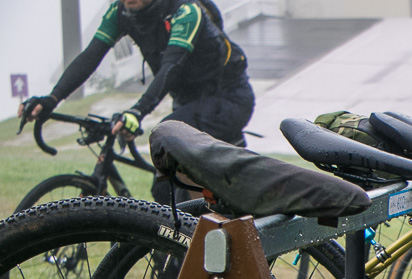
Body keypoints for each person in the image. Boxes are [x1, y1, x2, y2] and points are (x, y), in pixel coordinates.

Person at [18, 0, 254, 207]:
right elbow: (90, 56)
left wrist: (137, 112)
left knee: (166, 174)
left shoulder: (185, 10)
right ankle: (185, 245)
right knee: (172, 185)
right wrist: (52, 99)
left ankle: (204, 239)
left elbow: (170, 67)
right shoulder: (120, 12)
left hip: (228, 98)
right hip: (187, 102)